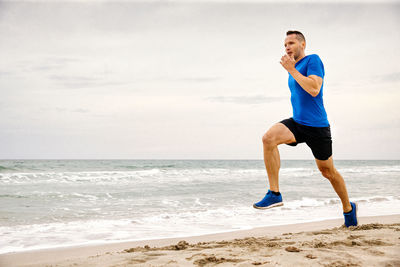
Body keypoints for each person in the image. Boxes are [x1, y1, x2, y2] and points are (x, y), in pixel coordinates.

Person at [253, 30, 358, 227]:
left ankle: (348, 209)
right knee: (268, 138)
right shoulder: (294, 67)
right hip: (298, 123)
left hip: (317, 127)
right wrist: (292, 69)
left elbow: (313, 89)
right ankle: (274, 193)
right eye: (285, 44)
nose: (287, 47)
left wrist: (292, 70)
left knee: (328, 172)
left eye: (291, 43)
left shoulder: (313, 60)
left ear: (303, 44)